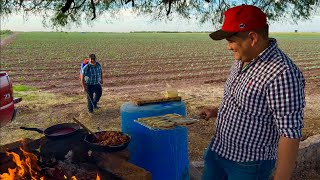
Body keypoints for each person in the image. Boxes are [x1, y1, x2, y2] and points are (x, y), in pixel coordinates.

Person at [200, 4, 305, 180]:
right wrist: (216, 112)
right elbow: (247, 103)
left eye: (231, 40)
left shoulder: (282, 73)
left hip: (248, 165)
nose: (229, 47)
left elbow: (290, 134)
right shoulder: (243, 58)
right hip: (219, 150)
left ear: (252, 38)